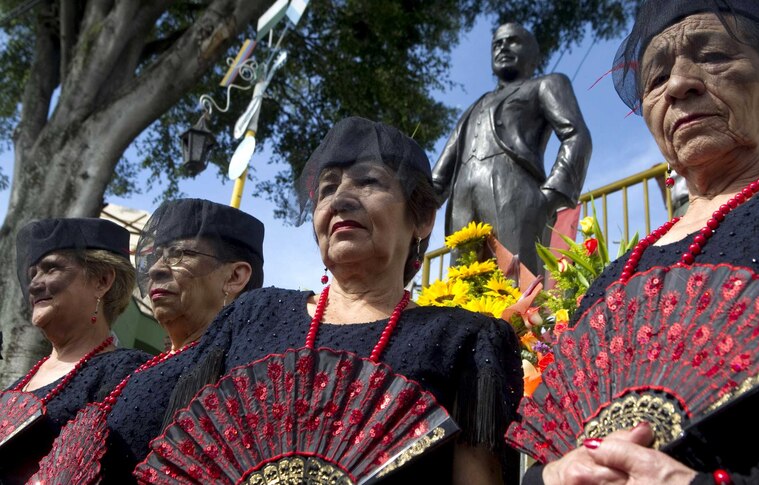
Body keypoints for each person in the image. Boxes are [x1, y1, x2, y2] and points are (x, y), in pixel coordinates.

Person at [522, 1, 759, 484]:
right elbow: (547, 458)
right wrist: (557, 474)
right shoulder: (611, 282)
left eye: (715, 57)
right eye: (655, 79)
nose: (679, 84)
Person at [167, 117, 523, 484]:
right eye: (327, 189)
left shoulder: (464, 340)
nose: (340, 200)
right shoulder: (253, 314)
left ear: (422, 218)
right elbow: (184, 460)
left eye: (368, 182)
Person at [32, 199, 265, 483]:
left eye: (180, 255)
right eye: (156, 256)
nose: (155, 269)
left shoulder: (239, 367)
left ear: (235, 276)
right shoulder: (143, 368)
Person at [432, 22, 592, 275]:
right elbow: (438, 179)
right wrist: (409, 213)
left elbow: (576, 135)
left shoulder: (546, 84)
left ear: (533, 54)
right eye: (497, 43)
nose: (503, 47)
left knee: (517, 286)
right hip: (462, 205)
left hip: (516, 198)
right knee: (461, 291)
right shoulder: (475, 107)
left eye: (512, 40)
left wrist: (549, 197)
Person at [0, 218, 150, 483]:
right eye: (32, 274)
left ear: (102, 280)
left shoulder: (129, 374)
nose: (34, 284)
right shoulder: (19, 383)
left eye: (51, 269)